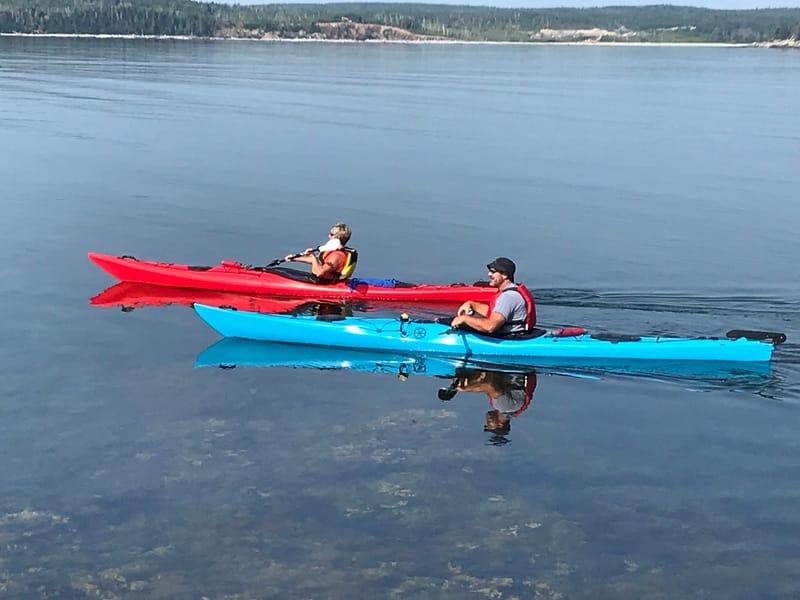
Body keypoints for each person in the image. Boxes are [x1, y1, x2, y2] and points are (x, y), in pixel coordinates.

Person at [450, 257, 536, 337]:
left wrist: (464, 319)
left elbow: (490, 327)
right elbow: (496, 312)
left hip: (509, 339)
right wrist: (471, 304)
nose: (489, 274)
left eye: (493, 272)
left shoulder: (507, 297)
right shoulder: (512, 292)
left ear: (504, 275)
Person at [284, 222, 358, 282]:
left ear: (335, 238)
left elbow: (320, 273)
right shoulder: (332, 250)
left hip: (322, 282)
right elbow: (318, 261)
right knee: (281, 271)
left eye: (331, 234)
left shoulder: (336, 256)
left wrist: (313, 256)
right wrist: (294, 258)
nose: (329, 236)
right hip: (318, 279)